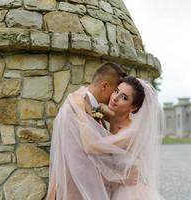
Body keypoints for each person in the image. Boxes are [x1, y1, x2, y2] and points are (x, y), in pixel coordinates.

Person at [47, 62, 138, 200]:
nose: (115, 97)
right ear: (105, 86)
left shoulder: (89, 105)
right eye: (115, 90)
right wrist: (119, 177)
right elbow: (81, 163)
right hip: (76, 192)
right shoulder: (75, 107)